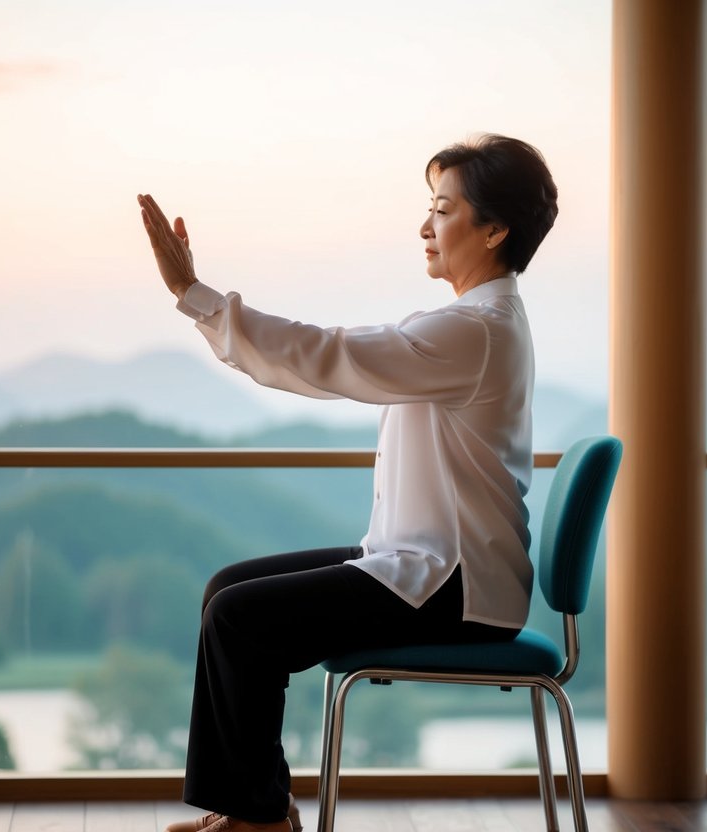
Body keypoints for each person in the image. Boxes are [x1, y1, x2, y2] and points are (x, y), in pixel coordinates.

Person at [137, 134, 559, 832]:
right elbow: (338, 357)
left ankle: (260, 820)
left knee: (239, 619)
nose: (426, 226)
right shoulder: (478, 324)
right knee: (226, 591)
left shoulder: (475, 331)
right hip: (429, 563)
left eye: (443, 210)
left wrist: (193, 295)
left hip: (455, 583)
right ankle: (253, 811)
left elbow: (328, 356)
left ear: (494, 228)